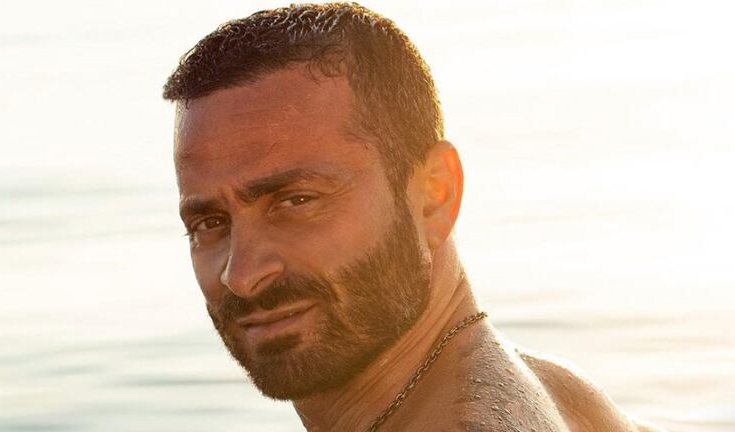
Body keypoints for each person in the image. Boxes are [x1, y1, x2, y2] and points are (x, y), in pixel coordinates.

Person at [163, 3, 664, 431]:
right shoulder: (565, 393)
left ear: (434, 196)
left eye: (297, 201)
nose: (242, 275)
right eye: (210, 222)